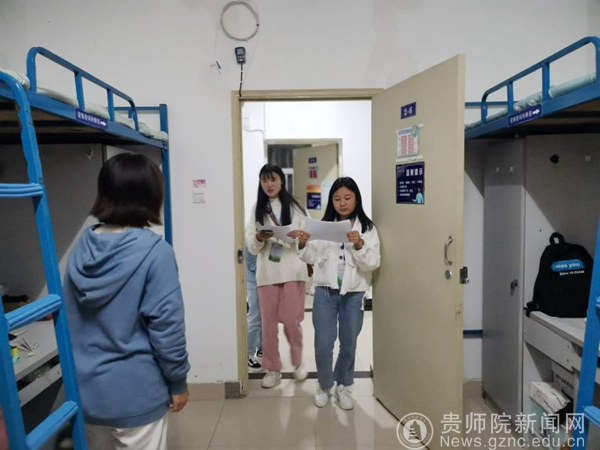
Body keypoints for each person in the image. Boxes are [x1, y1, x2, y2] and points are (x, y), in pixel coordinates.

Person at [63, 153, 190, 450]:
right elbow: (167, 329)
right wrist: (178, 382)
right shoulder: (155, 252)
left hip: (86, 393)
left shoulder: (81, 248)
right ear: (151, 196)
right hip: (136, 392)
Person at [296, 177, 380, 410]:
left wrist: (360, 245)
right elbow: (310, 257)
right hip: (325, 293)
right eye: (337, 198)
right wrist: (303, 243)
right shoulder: (322, 227)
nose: (342, 203)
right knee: (323, 344)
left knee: (348, 344)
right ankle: (324, 385)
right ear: (331, 201)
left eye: (347, 198)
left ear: (356, 199)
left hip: (353, 294)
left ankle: (343, 385)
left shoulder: (367, 229)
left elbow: (373, 263)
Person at [246, 164, 309, 388]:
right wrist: (259, 238)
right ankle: (272, 369)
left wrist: (299, 237)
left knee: (292, 321)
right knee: (268, 325)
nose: (269, 184)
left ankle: (298, 362)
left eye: (272, 179)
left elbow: (308, 238)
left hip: (293, 271)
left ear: (282, 180)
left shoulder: (296, 206)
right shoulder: (257, 208)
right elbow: (251, 245)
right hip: (267, 274)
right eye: (264, 180)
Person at [246, 245, 263, 370]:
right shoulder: (249, 234)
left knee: (265, 318)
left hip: (266, 280)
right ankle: (248, 354)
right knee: (255, 318)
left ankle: (261, 348)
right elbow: (251, 262)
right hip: (254, 280)